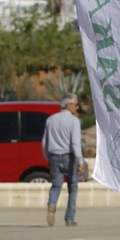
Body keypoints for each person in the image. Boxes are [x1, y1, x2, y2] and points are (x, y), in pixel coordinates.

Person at [41, 95, 83, 228]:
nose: (77, 107)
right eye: (75, 105)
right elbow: (75, 143)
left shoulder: (51, 119)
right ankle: (69, 218)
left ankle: (52, 204)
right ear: (68, 106)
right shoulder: (74, 121)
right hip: (69, 157)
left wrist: (47, 156)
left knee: (56, 185)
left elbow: (44, 142)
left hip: (54, 156)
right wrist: (80, 160)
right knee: (73, 187)